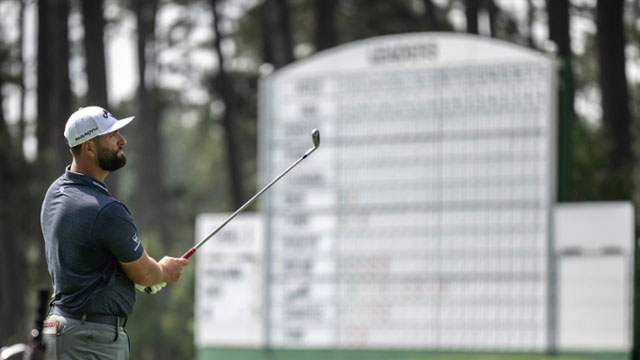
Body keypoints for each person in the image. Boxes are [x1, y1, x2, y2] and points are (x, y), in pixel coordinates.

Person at [40, 106, 189, 359]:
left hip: (60, 330)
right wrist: (164, 270)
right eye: (111, 135)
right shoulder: (106, 211)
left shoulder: (55, 192)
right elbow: (144, 273)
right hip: (90, 340)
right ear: (89, 147)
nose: (122, 140)